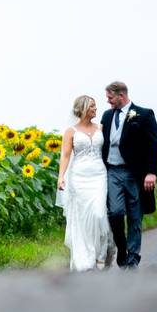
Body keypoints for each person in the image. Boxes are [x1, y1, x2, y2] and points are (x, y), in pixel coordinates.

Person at [100, 81, 157, 268]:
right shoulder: (107, 116)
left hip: (135, 173)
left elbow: (153, 145)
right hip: (113, 171)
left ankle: (132, 258)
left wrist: (151, 172)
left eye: (110, 98)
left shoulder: (144, 115)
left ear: (121, 95)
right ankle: (123, 247)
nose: (108, 102)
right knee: (115, 212)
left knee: (135, 216)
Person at [56, 95, 115, 271]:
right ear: (83, 109)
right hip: (78, 177)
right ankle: (85, 256)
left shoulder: (101, 128)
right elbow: (66, 155)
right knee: (82, 217)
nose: (96, 109)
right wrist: (61, 177)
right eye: (92, 106)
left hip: (99, 175)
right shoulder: (71, 131)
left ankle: (101, 253)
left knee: (98, 214)